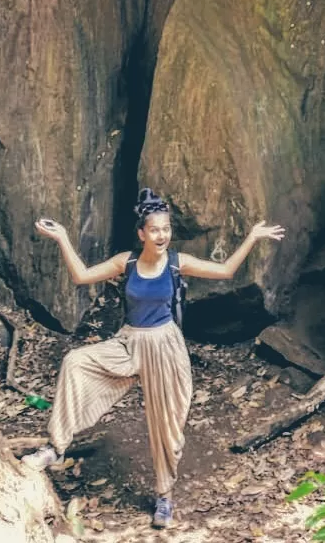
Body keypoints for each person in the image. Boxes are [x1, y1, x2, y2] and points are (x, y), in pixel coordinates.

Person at [21, 188, 285, 530]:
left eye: (166, 229)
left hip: (165, 348)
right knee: (75, 362)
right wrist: (63, 238)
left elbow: (225, 271)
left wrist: (251, 237)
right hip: (129, 342)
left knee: (167, 425)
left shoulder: (178, 262)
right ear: (142, 233)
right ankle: (55, 447)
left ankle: (164, 495)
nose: (162, 235)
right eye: (155, 230)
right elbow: (81, 276)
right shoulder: (126, 262)